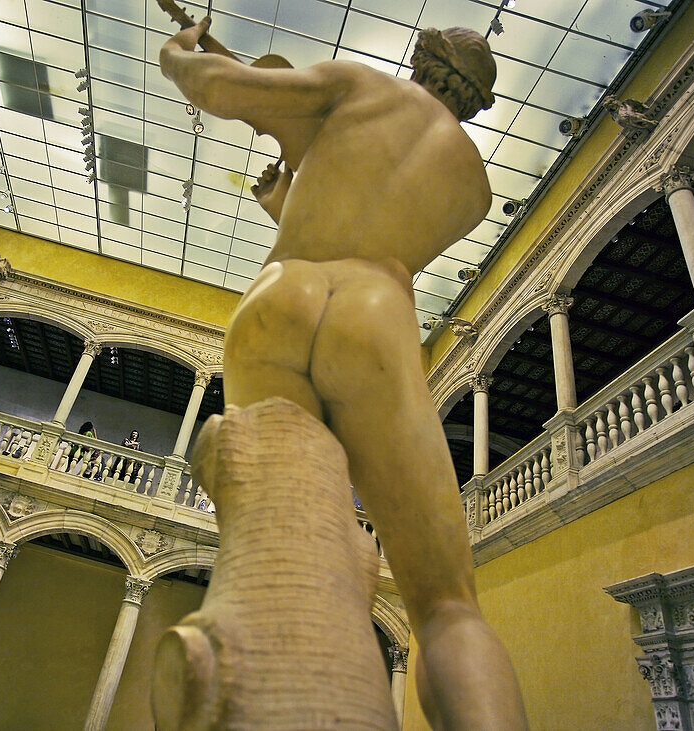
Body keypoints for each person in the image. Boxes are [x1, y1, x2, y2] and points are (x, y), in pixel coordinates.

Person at [161, 18, 526, 729]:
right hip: (375, 314)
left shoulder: (360, 83)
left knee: (283, 544)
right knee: (446, 603)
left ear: (418, 57)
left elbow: (220, 86)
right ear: (475, 102)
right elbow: (374, 220)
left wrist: (181, 52)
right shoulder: (473, 189)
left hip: (278, 297)